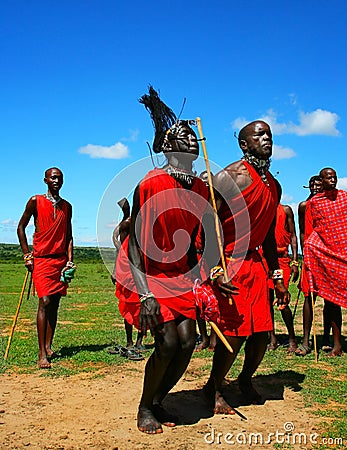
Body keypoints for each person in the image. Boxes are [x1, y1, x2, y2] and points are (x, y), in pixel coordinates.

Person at [115, 87, 230, 433]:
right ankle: (144, 408)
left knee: (187, 342)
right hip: (145, 271)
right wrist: (146, 294)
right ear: (167, 147)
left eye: (194, 136)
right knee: (166, 343)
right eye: (183, 136)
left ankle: (158, 400)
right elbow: (134, 243)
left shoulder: (199, 189)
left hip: (181, 274)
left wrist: (213, 271)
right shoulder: (150, 184)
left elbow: (205, 238)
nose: (192, 140)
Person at [203, 120, 290, 413]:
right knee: (233, 333)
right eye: (259, 135)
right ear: (244, 144)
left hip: (256, 264)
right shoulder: (231, 176)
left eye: (269, 134)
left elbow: (266, 233)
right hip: (229, 262)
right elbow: (207, 221)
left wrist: (276, 275)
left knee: (262, 333)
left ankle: (244, 380)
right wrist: (215, 269)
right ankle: (214, 388)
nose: (267, 139)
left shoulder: (273, 185)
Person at [17, 167, 74, 369]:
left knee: (55, 304)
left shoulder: (67, 206)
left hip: (59, 261)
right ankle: (42, 353)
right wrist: (27, 255)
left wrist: (70, 260)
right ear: (45, 180)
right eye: (53, 178)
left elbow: (68, 236)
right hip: (41, 259)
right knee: (45, 301)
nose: (56, 181)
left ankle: (49, 345)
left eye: (60, 178)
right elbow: (20, 227)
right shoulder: (35, 201)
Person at [305, 167, 346, 357]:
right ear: (321, 181)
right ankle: (335, 344)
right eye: (328, 177)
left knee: (336, 302)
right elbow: (314, 230)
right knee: (331, 301)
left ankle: (336, 343)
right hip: (326, 258)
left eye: (334, 177)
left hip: (344, 255)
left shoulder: (345, 198)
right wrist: (311, 251)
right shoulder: (314, 203)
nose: (332, 180)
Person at [296, 175, 327, 356]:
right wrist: (305, 250)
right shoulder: (303, 206)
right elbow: (302, 231)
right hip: (310, 255)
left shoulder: (329, 205)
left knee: (330, 300)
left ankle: (326, 339)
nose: (315, 186)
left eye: (318, 184)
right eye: (312, 184)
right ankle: (306, 340)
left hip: (327, 255)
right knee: (308, 296)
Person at [110, 198, 144, 354]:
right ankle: (134, 341)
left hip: (136, 267)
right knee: (130, 304)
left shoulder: (134, 223)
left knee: (139, 303)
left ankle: (135, 341)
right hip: (128, 268)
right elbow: (119, 244)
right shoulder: (129, 224)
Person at [267, 203, 299, 352]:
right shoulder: (261, 209)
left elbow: (293, 236)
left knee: (282, 300)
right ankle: (272, 338)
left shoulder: (285, 210)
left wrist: (294, 260)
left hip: (282, 260)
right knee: (266, 301)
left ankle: (292, 337)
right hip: (265, 259)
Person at [195, 171, 217, 352]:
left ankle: (215, 337)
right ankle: (203, 337)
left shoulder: (219, 206)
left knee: (215, 300)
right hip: (194, 258)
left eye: (209, 182)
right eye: (203, 183)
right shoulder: (193, 205)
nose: (206, 186)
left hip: (213, 258)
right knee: (197, 300)